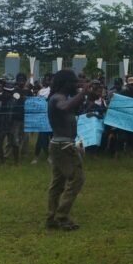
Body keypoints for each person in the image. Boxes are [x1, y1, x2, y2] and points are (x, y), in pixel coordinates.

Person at [46, 69, 90, 231]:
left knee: (58, 183)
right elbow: (65, 108)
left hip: (61, 144)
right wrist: (83, 92)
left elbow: (73, 110)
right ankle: (61, 217)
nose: (76, 85)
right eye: (74, 82)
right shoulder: (58, 98)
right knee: (77, 179)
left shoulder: (63, 97)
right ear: (65, 83)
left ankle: (51, 218)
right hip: (63, 146)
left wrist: (85, 96)